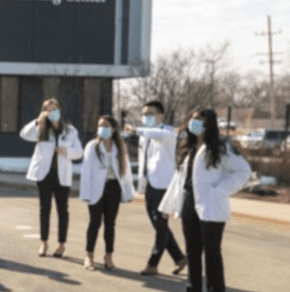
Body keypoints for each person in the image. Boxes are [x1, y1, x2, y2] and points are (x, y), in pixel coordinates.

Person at [159, 107, 251, 292]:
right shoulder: (189, 147)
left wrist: (219, 190)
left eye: (199, 119)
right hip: (189, 202)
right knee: (192, 254)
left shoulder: (221, 147)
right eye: (192, 119)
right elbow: (178, 181)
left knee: (212, 256)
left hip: (211, 204)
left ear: (209, 123)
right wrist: (167, 206)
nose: (194, 123)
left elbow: (243, 170)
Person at [123, 100, 188, 275]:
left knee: (160, 225)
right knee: (159, 224)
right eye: (144, 114)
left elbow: (155, 133)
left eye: (150, 114)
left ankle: (153, 263)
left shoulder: (167, 132)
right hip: (150, 184)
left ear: (160, 115)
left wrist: (136, 130)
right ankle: (179, 258)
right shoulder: (146, 135)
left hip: (163, 185)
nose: (146, 117)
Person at [19, 98, 83, 258]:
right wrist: (38, 120)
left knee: (63, 210)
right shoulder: (41, 129)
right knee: (44, 209)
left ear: (59, 110)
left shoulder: (70, 130)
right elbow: (24, 134)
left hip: (62, 175)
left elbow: (79, 152)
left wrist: (67, 152)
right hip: (44, 175)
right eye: (48, 110)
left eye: (54, 109)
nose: (52, 112)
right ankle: (44, 242)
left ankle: (61, 245)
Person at [80, 115, 135, 271]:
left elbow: (126, 171)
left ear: (113, 129)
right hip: (96, 188)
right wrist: (86, 194)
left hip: (113, 188)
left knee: (110, 224)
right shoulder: (92, 146)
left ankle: (108, 256)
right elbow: (86, 172)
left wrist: (129, 192)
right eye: (100, 126)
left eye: (105, 126)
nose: (102, 129)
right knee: (94, 222)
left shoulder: (120, 147)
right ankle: (89, 256)